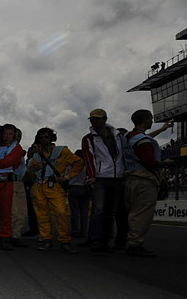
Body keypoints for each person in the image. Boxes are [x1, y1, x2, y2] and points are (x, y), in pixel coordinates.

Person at [122, 110, 172, 257]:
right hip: (144, 180)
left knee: (133, 212)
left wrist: (161, 130)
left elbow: (141, 140)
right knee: (142, 213)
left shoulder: (127, 137)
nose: (151, 121)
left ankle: (131, 239)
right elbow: (149, 161)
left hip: (130, 179)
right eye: (150, 118)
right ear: (145, 120)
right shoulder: (142, 141)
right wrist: (165, 163)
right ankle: (134, 243)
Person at [26, 127, 83, 252]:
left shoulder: (62, 151)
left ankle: (65, 240)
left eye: (46, 137)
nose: (43, 139)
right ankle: (46, 239)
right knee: (42, 215)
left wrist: (67, 176)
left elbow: (78, 162)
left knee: (61, 212)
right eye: (40, 137)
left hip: (54, 185)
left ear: (52, 138)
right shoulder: (35, 155)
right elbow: (29, 174)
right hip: (39, 185)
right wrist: (34, 169)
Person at [81, 108, 127, 253]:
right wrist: (92, 175)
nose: (95, 121)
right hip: (100, 177)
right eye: (92, 119)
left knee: (110, 212)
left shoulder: (118, 135)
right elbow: (88, 157)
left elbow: (125, 153)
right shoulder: (88, 138)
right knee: (98, 209)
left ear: (105, 119)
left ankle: (105, 241)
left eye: (97, 118)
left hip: (118, 177)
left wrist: (125, 172)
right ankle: (95, 241)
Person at [67, 148, 90, 240]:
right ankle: (83, 231)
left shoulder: (71, 165)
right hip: (85, 188)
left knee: (74, 211)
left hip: (73, 187)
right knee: (84, 212)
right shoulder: (86, 166)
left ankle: (75, 230)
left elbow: (66, 176)